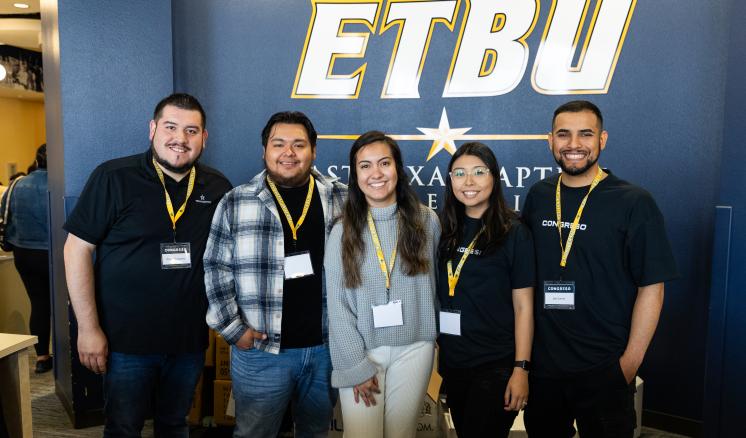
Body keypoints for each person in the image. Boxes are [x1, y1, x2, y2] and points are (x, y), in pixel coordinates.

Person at [63, 93, 232, 437]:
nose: (180, 139)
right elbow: (76, 250)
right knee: (124, 428)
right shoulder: (114, 177)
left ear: (204, 138)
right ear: (153, 129)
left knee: (175, 424)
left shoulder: (217, 186)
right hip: (126, 343)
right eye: (170, 127)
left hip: (187, 341)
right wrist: (88, 328)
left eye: (191, 130)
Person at [521, 100, 678, 437]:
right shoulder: (539, 195)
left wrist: (628, 366)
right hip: (544, 370)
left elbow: (653, 288)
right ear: (550, 141)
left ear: (602, 140)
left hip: (604, 368)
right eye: (564, 134)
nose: (574, 145)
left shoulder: (634, 202)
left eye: (585, 134)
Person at [203, 111, 346, 438]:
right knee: (255, 433)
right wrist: (232, 329)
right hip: (261, 353)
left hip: (326, 350)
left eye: (299, 144)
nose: (289, 153)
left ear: (314, 150)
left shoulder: (342, 197)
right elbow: (215, 268)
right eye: (278, 144)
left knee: (316, 432)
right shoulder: (236, 202)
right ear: (264, 150)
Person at [324, 131, 439, 438]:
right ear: (355, 175)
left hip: (415, 349)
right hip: (363, 353)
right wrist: (356, 367)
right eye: (365, 166)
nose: (376, 173)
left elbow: (436, 288)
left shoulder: (427, 221)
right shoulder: (342, 231)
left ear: (398, 168)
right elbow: (337, 306)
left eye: (384, 163)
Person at [437, 142, 534, 437]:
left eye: (479, 172)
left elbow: (524, 306)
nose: (468, 182)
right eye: (459, 173)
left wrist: (521, 369)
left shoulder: (514, 232)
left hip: (496, 364)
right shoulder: (443, 228)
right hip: (454, 362)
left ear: (494, 177)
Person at [1, 144, 53, 373]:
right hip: (54, 252)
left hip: (24, 254)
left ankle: (42, 358)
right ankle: (69, 358)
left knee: (39, 304)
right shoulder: (59, 184)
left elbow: (5, 213)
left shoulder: (16, 185)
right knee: (67, 306)